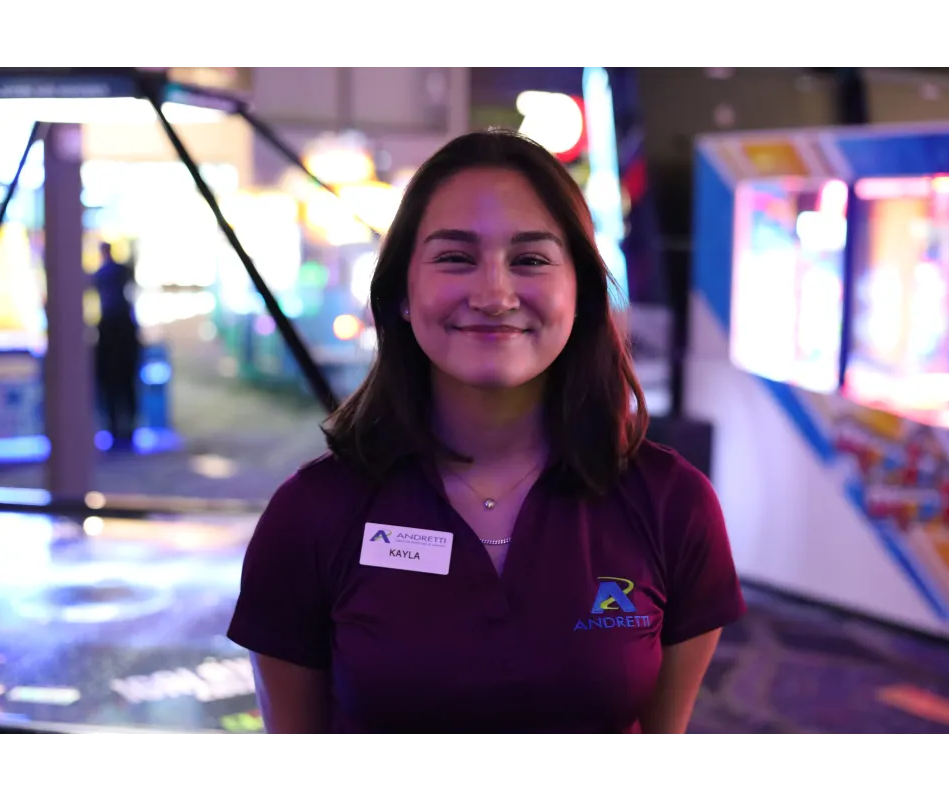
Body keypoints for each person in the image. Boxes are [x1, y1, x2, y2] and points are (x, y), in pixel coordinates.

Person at [227, 129, 745, 735]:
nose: (494, 295)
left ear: (579, 291)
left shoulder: (673, 505)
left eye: (529, 260)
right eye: (455, 258)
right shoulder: (312, 514)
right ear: (399, 292)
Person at [93, 242, 140, 448]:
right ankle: (124, 428)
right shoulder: (117, 272)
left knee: (115, 387)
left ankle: (118, 428)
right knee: (124, 387)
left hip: (114, 335)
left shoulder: (105, 274)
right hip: (120, 335)